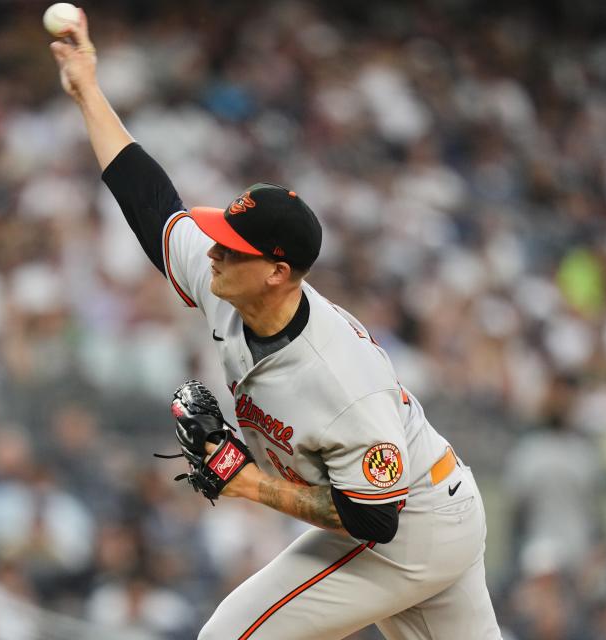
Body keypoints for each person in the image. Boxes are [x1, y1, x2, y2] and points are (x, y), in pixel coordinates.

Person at [49, 11, 502, 639]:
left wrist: (251, 484)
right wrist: (88, 91)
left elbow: (376, 520)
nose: (213, 252)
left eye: (232, 247)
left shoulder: (338, 375)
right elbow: (151, 207)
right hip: (436, 509)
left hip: (409, 526)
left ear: (277, 271)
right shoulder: (228, 291)